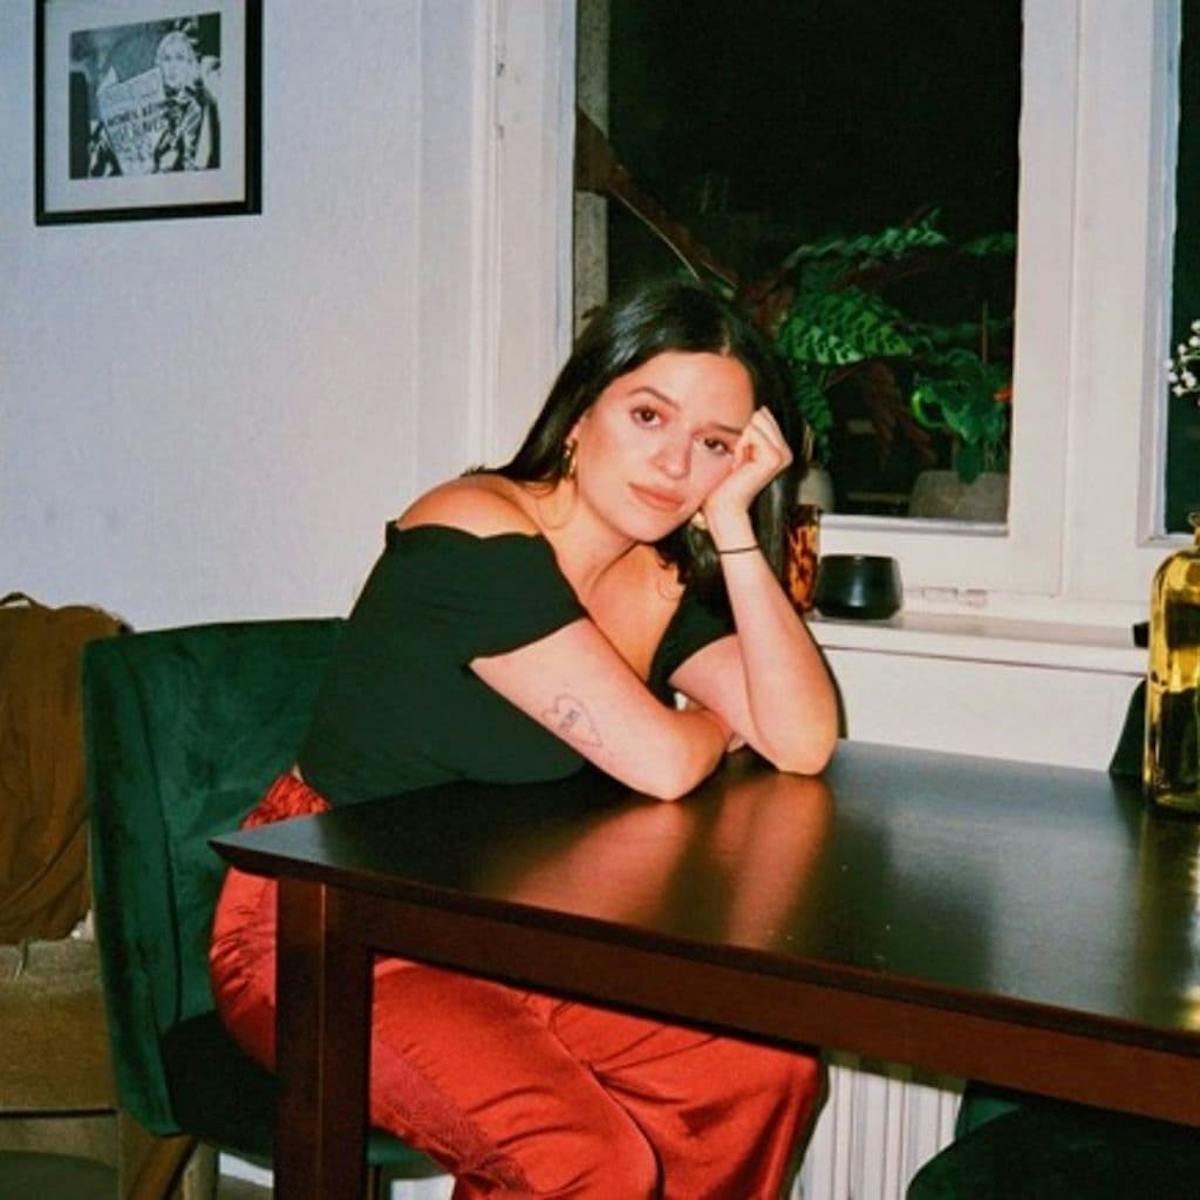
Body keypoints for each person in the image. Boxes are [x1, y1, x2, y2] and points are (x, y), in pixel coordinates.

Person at [210, 279, 839, 1198]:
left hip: (505, 927)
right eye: (649, 415)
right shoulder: (472, 528)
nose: (675, 464)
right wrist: (709, 723)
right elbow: (664, 764)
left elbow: (804, 740)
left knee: (759, 1073)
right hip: (327, 925)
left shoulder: (650, 573)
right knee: (589, 1163)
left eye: (714, 444)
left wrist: (737, 525)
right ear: (580, 413)